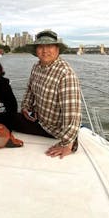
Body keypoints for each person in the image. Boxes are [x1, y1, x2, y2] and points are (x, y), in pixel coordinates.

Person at [14, 29, 82, 159]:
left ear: (57, 49)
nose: (45, 50)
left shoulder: (65, 74)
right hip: (37, 119)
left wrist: (67, 144)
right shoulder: (36, 67)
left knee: (6, 119)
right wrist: (25, 107)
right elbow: (30, 89)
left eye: (49, 46)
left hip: (54, 130)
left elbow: (72, 113)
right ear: (36, 50)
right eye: (41, 47)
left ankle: (72, 141)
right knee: (5, 118)